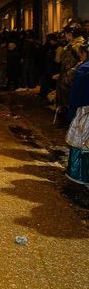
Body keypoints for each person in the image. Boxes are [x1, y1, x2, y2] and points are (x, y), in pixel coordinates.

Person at [65, 43, 89, 185]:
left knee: (81, 144)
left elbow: (75, 94)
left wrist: (72, 108)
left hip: (84, 111)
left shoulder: (84, 70)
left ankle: (81, 175)